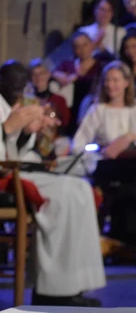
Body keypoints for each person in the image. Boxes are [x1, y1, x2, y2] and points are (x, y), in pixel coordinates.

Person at [0, 61, 105, 307]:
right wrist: (6, 129)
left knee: (80, 187)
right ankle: (51, 289)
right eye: (13, 81)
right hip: (7, 177)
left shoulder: (10, 106)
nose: (18, 86)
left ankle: (74, 284)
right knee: (64, 194)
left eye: (21, 81)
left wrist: (27, 132)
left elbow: (16, 151)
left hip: (16, 170)